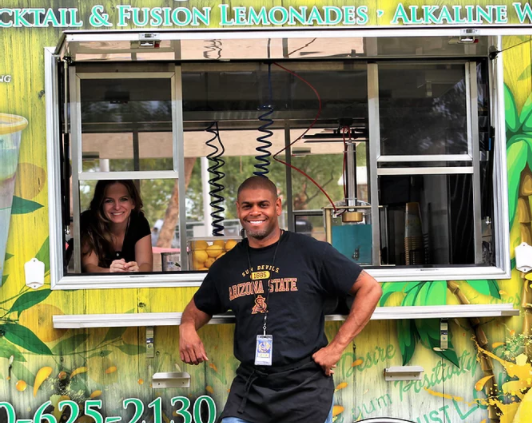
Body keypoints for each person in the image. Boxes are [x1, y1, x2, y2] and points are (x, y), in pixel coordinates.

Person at [179, 176, 382, 423]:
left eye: (263, 205)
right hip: (251, 389)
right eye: (247, 206)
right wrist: (187, 327)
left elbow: (370, 288)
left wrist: (336, 348)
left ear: (277, 206)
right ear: (238, 210)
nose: (255, 212)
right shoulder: (226, 266)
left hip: (305, 387)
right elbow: (197, 308)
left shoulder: (311, 252)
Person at [80, 180, 153, 273]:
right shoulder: (89, 221)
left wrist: (137, 270)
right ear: (100, 204)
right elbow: (89, 267)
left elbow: (146, 265)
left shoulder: (139, 221)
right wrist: (110, 271)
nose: (117, 207)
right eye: (109, 201)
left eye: (123, 199)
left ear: (133, 203)